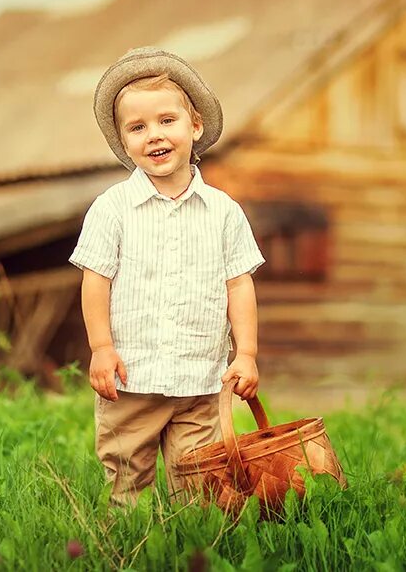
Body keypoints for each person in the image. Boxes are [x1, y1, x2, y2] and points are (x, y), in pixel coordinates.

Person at [69, 47, 264, 506]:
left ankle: (190, 547)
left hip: (201, 379)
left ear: (194, 126)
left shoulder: (223, 212)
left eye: (166, 121)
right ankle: (130, 546)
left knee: (199, 487)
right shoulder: (111, 208)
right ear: (123, 140)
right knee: (126, 479)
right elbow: (95, 279)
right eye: (137, 128)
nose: (153, 135)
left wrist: (248, 353)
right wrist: (101, 347)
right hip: (132, 378)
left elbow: (239, 284)